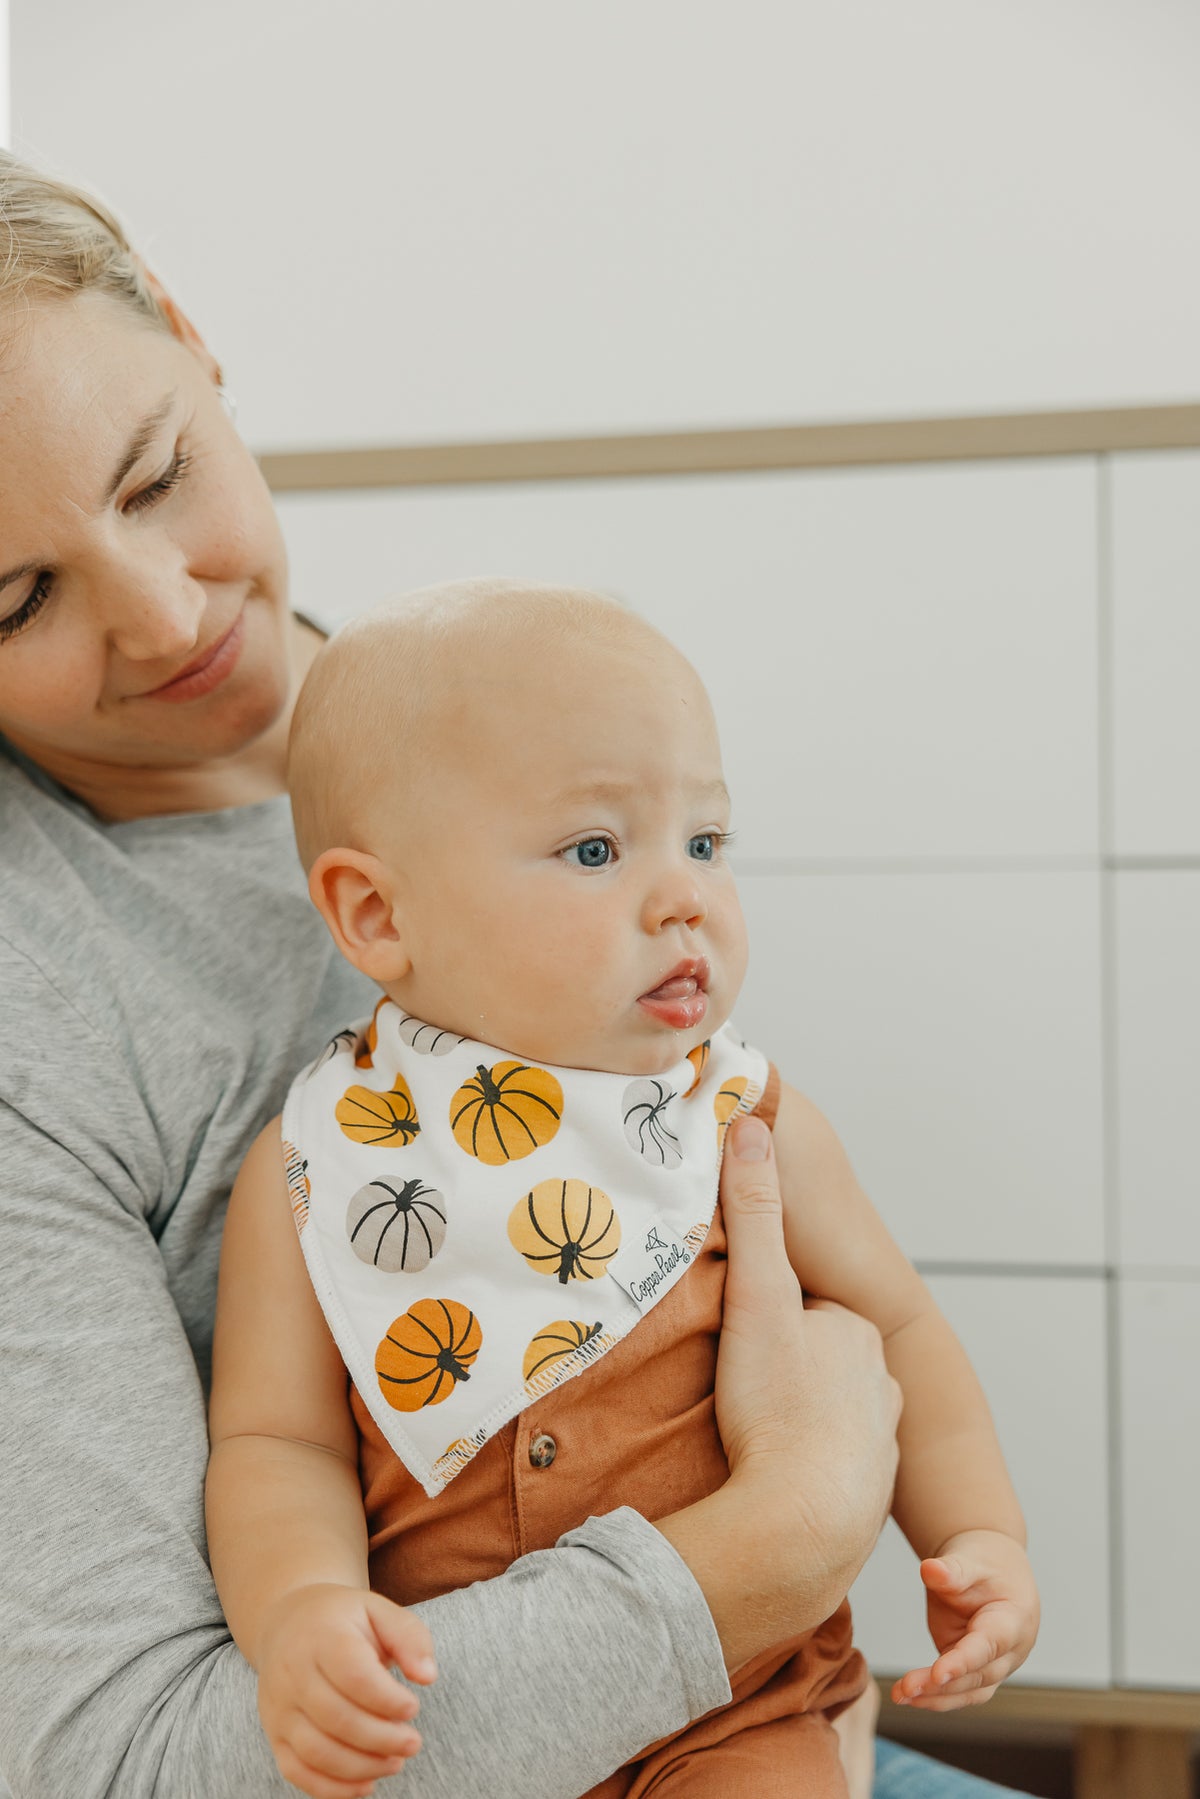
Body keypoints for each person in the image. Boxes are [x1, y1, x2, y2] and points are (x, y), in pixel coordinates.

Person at [0, 148, 1033, 1799]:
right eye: (16, 597)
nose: (162, 611)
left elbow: (847, 1299)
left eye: (154, 474)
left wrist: (950, 1533)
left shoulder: (498, 719)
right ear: (370, 916)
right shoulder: (190, 1098)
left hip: (750, 1708)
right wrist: (784, 1530)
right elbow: (134, 1733)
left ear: (195, 343)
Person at [206, 583, 1041, 1798]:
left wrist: (981, 1533)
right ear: (380, 914)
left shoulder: (745, 1122)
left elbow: (899, 1325)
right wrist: (303, 1613)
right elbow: (274, 1442)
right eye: (596, 849)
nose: (683, 894)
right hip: (463, 1718)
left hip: (730, 1709)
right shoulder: (317, 1165)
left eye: (705, 840)